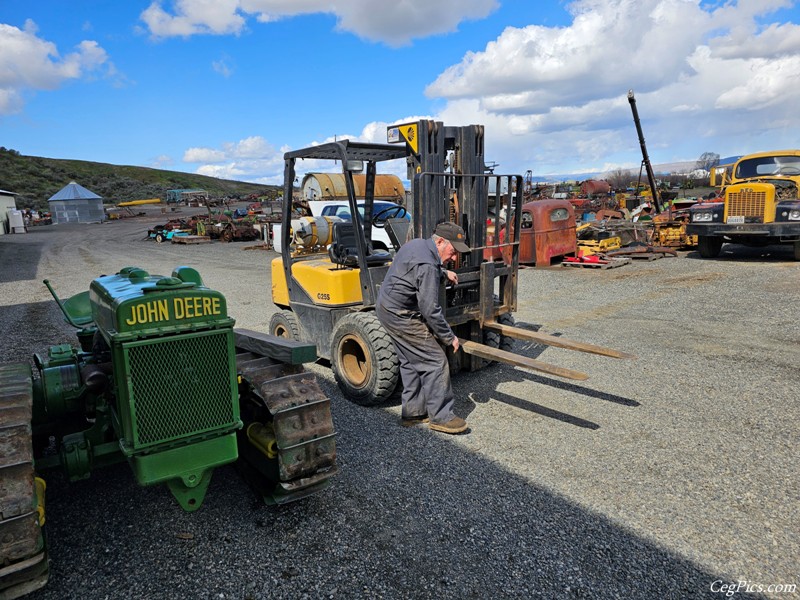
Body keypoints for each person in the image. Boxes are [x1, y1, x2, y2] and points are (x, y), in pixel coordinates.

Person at [375, 221, 470, 434]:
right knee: (435, 362)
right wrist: (448, 337)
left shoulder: (418, 244)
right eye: (453, 252)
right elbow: (429, 308)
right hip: (401, 316)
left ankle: (414, 413)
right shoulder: (427, 265)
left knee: (410, 361)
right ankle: (442, 417)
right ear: (441, 242)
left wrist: (444, 273)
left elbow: (420, 267)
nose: (454, 258)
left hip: (386, 308)